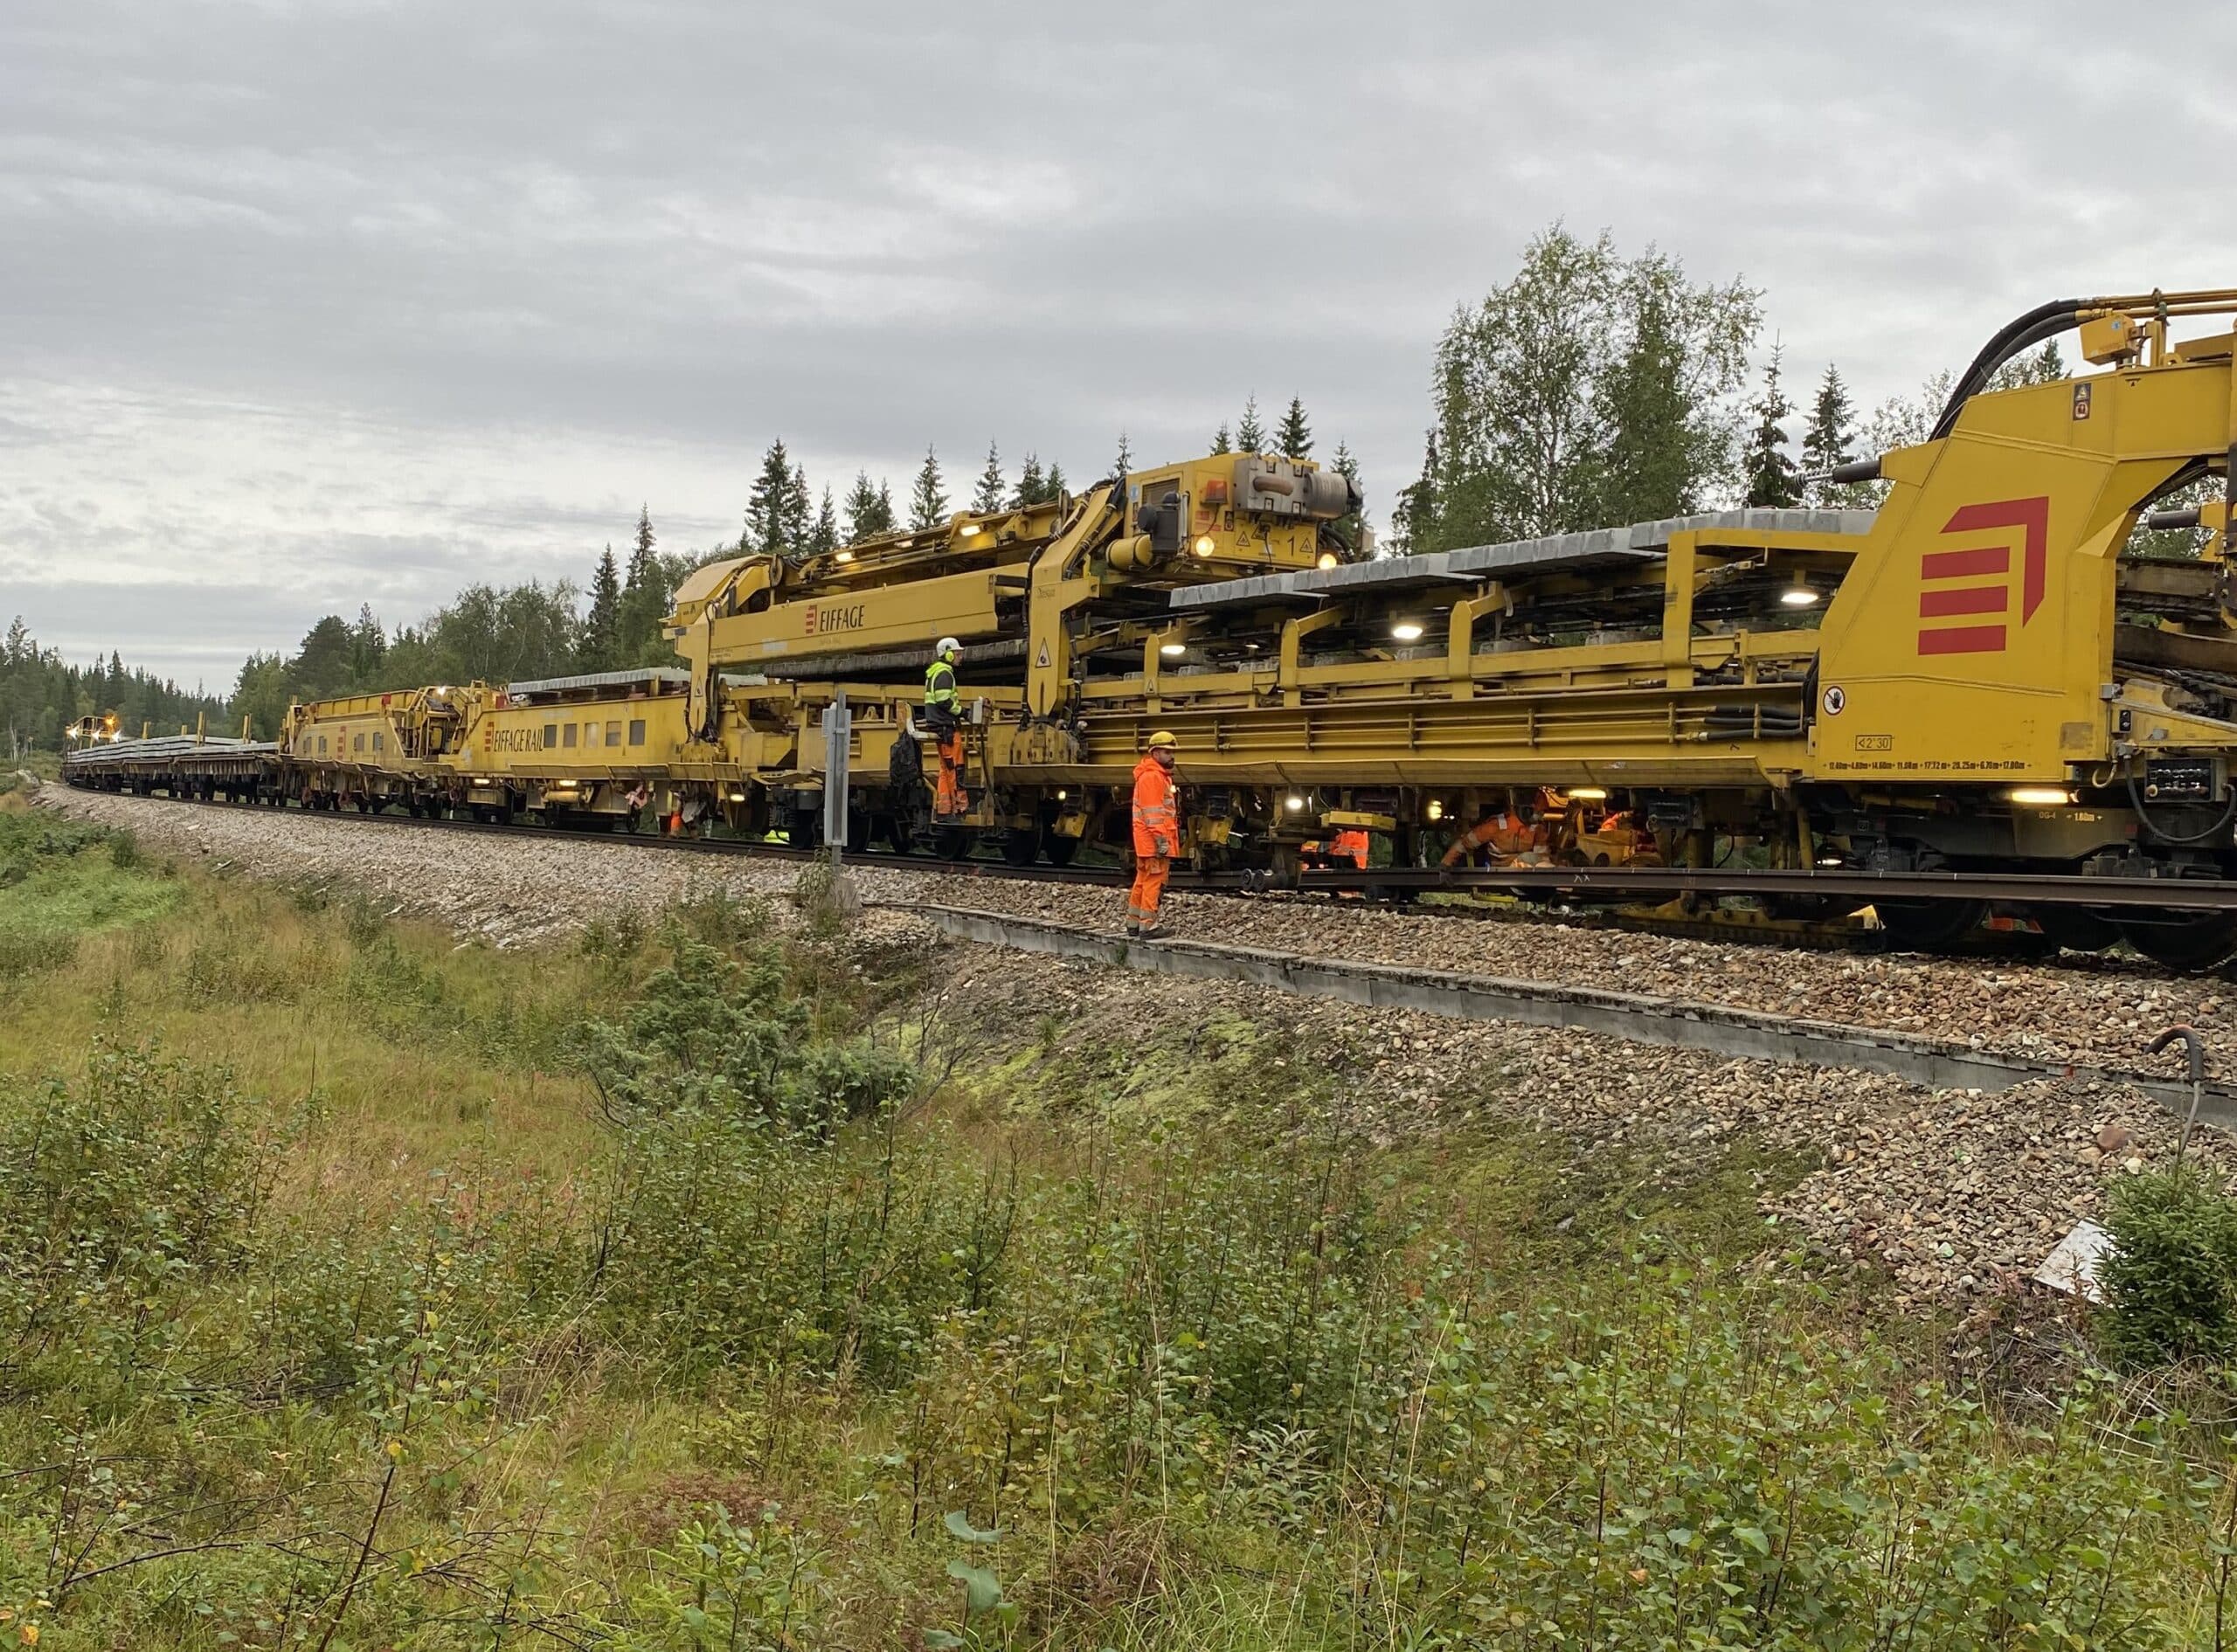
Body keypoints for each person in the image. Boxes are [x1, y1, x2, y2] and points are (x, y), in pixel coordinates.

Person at [1128, 730, 1181, 937]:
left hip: (1146, 841)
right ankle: (1148, 926)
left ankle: (1134, 924)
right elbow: (1153, 814)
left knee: (1142, 880)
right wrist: (1161, 840)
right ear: (1155, 753)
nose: (1172, 756)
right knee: (1154, 880)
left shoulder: (1154, 776)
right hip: (1153, 840)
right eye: (1167, 752)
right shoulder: (1153, 777)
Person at [925, 636, 967, 819]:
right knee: (956, 769)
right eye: (957, 653)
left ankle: (944, 808)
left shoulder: (935, 672)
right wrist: (963, 712)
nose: (960, 656)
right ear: (948, 654)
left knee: (945, 769)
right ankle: (959, 809)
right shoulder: (944, 673)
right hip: (947, 728)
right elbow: (943, 700)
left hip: (940, 727)